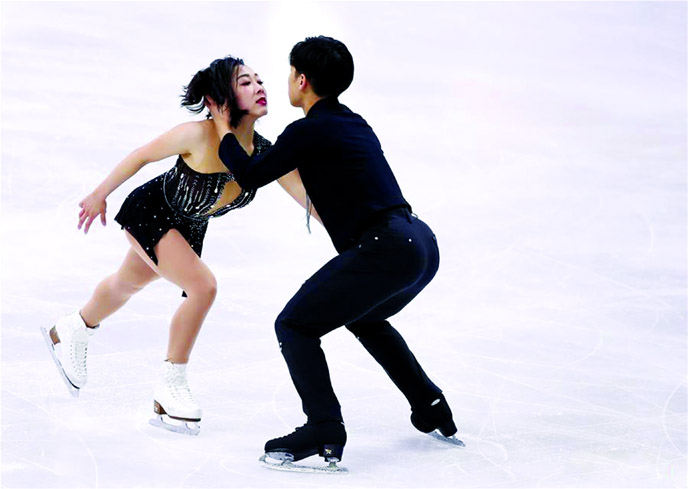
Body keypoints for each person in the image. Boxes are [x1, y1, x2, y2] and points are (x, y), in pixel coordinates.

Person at [207, 36, 460, 465]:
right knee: (366, 318)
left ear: (302, 80)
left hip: (387, 248)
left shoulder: (308, 131)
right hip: (421, 243)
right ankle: (429, 404)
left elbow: (249, 175)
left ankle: (324, 426)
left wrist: (222, 127)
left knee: (294, 325)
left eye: (289, 74)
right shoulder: (354, 121)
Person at [41, 55, 315, 435]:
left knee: (126, 284)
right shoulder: (197, 134)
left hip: (190, 227)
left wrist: (354, 227)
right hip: (152, 212)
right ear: (221, 99)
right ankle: (171, 385)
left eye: (260, 80)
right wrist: (99, 194)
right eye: (246, 83)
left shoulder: (265, 154)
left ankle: (75, 326)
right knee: (203, 287)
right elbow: (141, 156)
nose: (260, 87)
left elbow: (305, 196)